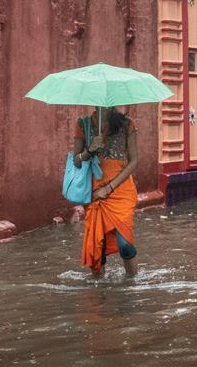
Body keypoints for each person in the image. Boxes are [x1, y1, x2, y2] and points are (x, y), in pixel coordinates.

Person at [73, 106, 139, 277]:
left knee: (124, 243)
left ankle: (132, 285)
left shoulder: (127, 124)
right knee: (97, 247)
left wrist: (109, 187)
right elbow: (76, 161)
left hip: (121, 191)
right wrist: (89, 151)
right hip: (94, 193)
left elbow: (134, 162)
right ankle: (99, 292)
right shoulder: (84, 125)